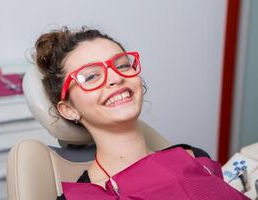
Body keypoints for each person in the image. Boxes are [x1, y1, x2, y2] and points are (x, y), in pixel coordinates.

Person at [33, 26, 249, 200]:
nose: (116, 78)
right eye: (90, 77)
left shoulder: (194, 158)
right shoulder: (81, 197)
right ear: (69, 110)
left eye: (123, 65)